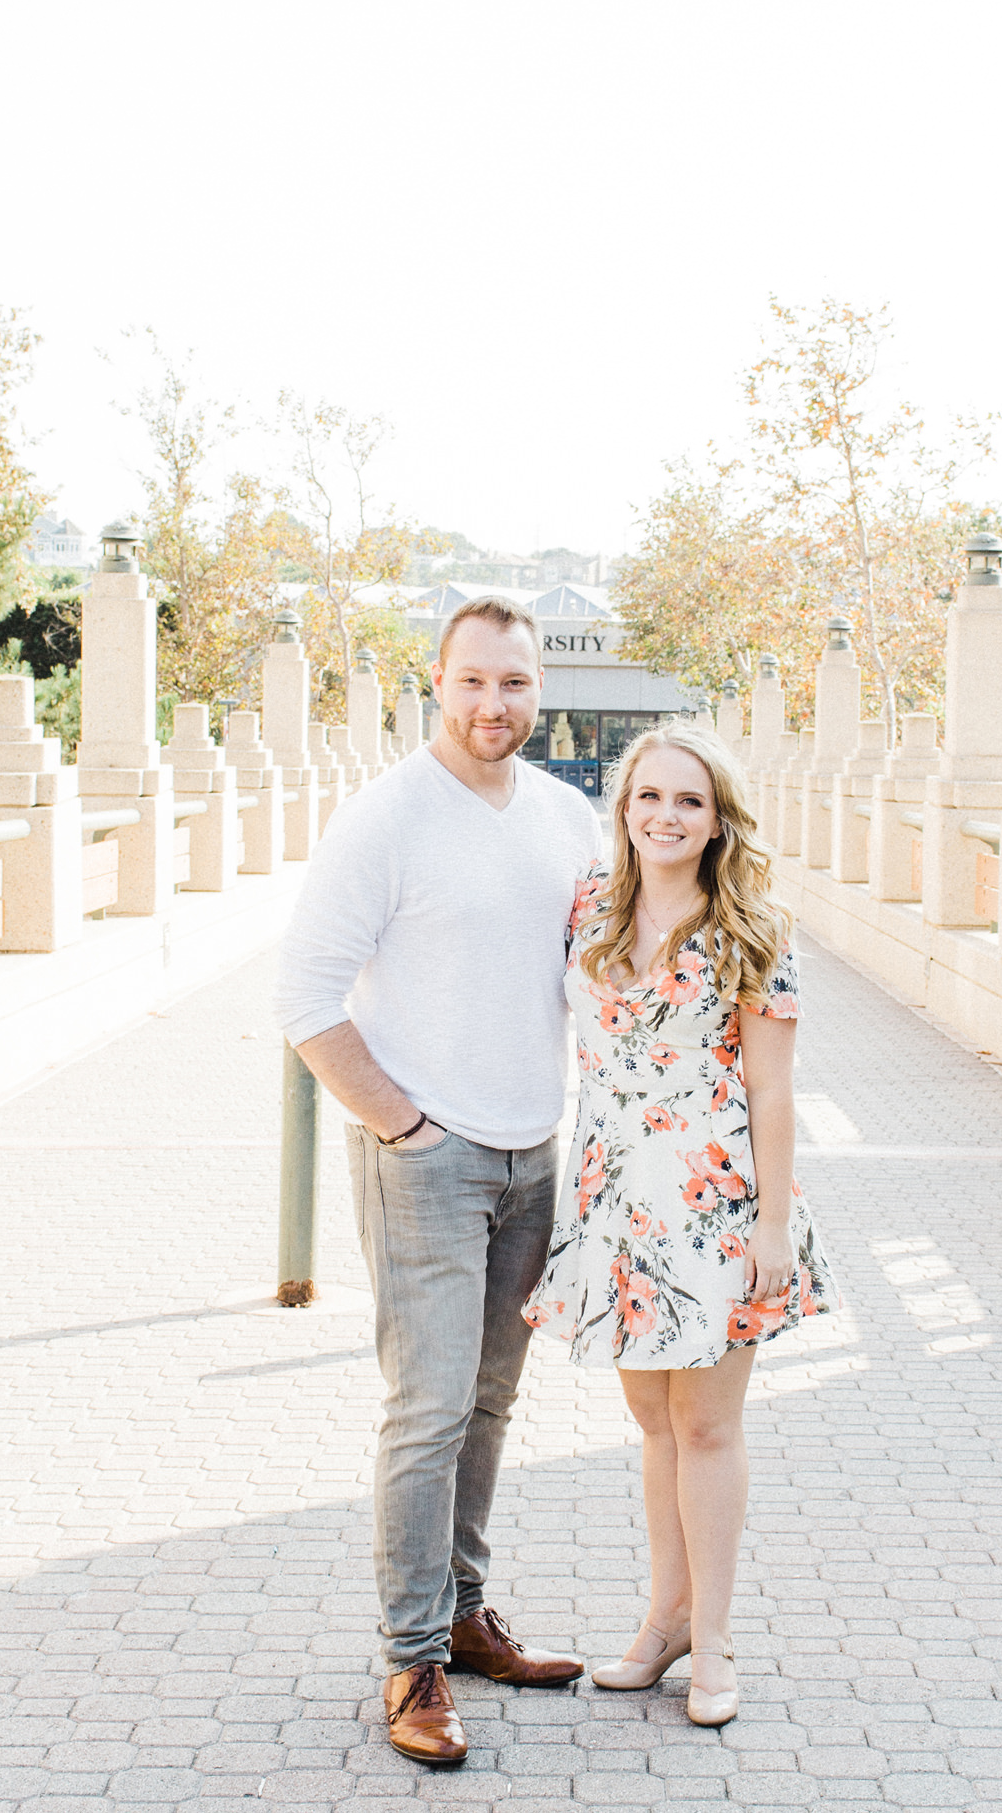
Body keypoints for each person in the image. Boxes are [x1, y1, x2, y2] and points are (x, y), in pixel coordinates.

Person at [274, 594, 601, 1766]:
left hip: (535, 1150)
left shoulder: (568, 819)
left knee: (491, 1399)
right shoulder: (387, 818)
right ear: (437, 682)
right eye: (471, 682)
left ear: (537, 690)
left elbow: (607, 972)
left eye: (512, 684)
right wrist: (403, 1128)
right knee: (425, 1409)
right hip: (427, 1158)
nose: (491, 705)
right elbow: (305, 998)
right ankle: (409, 1658)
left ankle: (463, 1616)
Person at [522, 722, 835, 1727]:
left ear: (715, 822)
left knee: (704, 1424)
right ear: (622, 807)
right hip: (614, 1205)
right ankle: (662, 1623)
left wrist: (772, 1230)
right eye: (648, 796)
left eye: (688, 802)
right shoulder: (589, 908)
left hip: (715, 1207)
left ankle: (716, 1642)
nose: (665, 815)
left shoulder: (750, 930)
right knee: (650, 1422)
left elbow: (773, 1091)